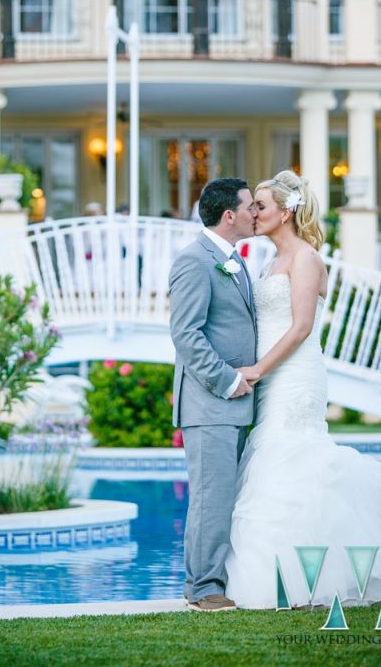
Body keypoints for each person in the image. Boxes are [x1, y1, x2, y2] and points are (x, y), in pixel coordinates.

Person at [225, 169, 381, 608]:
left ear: (285, 212)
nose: (253, 213)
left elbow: (301, 327)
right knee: (271, 457)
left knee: (290, 457)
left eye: (260, 206)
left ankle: (306, 578)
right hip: (270, 372)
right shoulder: (267, 261)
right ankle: (284, 572)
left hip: (294, 374)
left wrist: (258, 369)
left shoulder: (305, 258)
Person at [169, 178, 258, 612]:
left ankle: (212, 581)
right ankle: (203, 589)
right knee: (211, 498)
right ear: (229, 216)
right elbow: (185, 335)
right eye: (249, 208)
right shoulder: (194, 261)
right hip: (211, 404)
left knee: (227, 498)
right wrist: (226, 380)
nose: (255, 214)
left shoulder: (235, 261)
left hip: (238, 404)